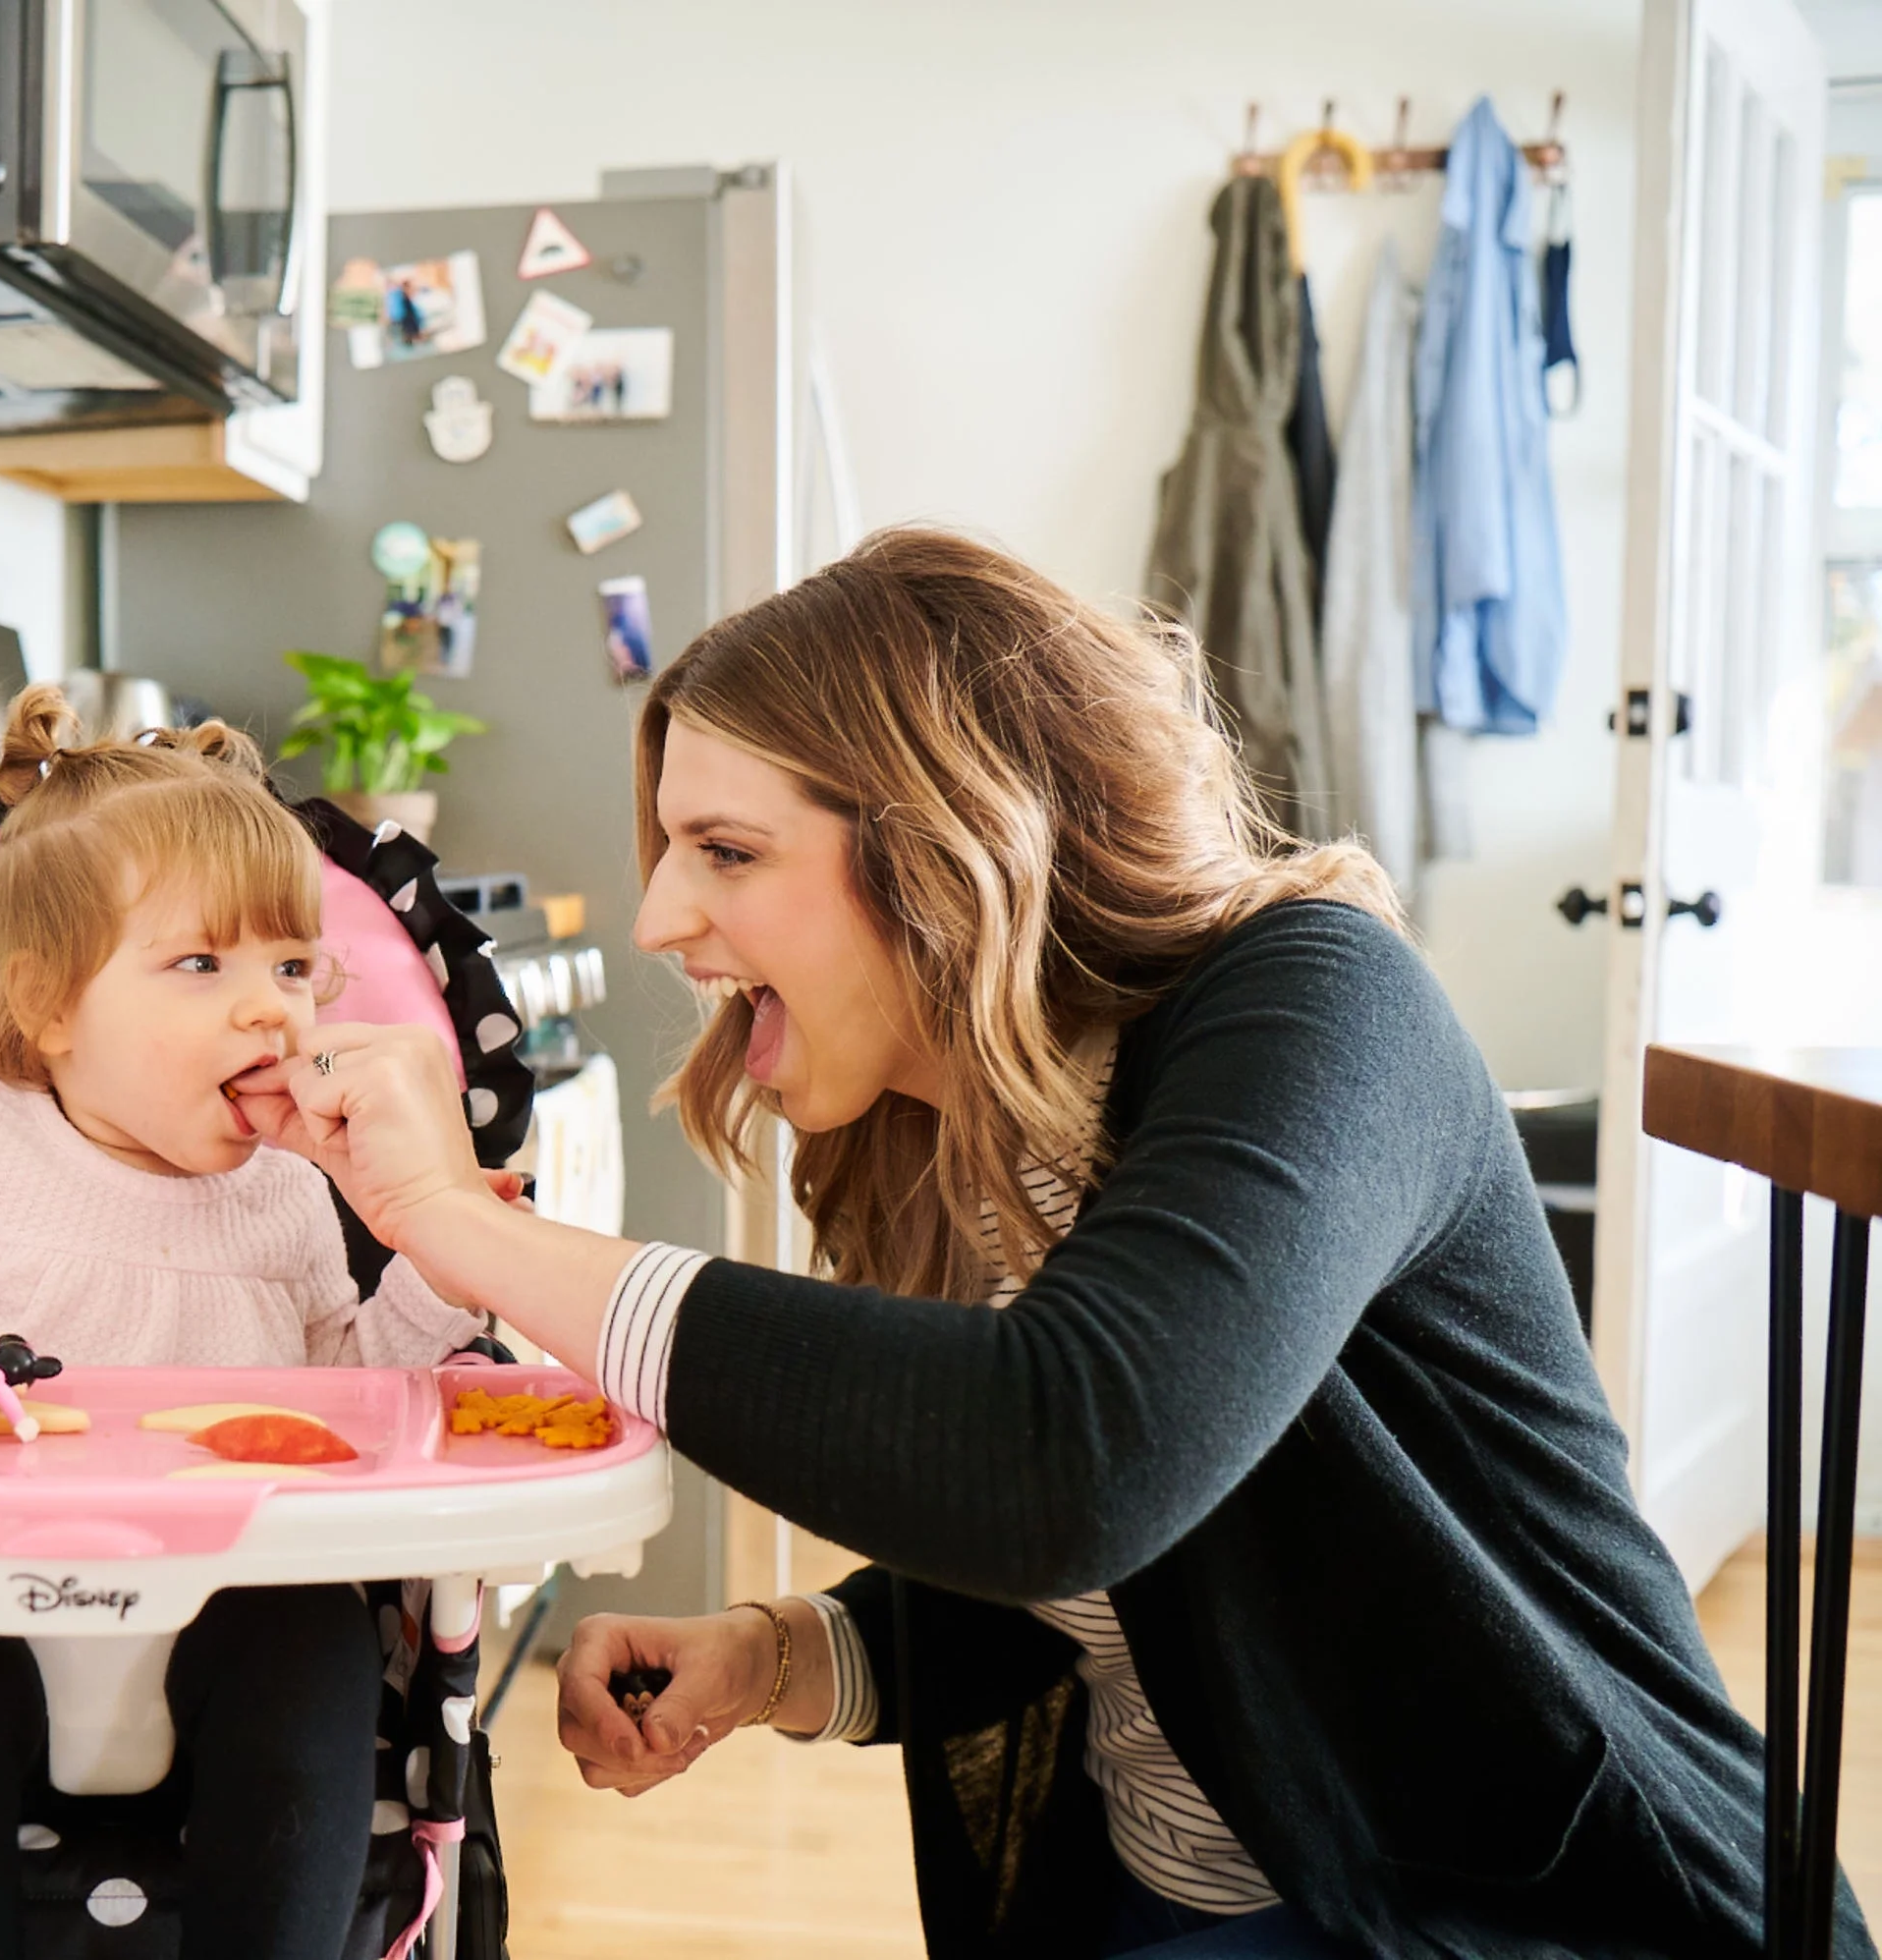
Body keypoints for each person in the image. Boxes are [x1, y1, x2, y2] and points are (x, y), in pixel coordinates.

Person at [230, 529, 1861, 1958]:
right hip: (1178, 1901)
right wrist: (786, 1651)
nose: (660, 916)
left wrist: (458, 1228)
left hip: (1503, 1914)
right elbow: (1135, 1579)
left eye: (727, 852)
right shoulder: (963, 1139)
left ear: (953, 847)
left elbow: (1070, 1454)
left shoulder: (1318, 1003)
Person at [0, 686, 485, 1959]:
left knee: (316, 1649)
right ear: (50, 1005)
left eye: (293, 965)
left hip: (232, 1611)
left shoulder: (286, 1193)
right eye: (200, 964)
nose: (271, 1008)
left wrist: (442, 1261)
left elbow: (355, 1394)